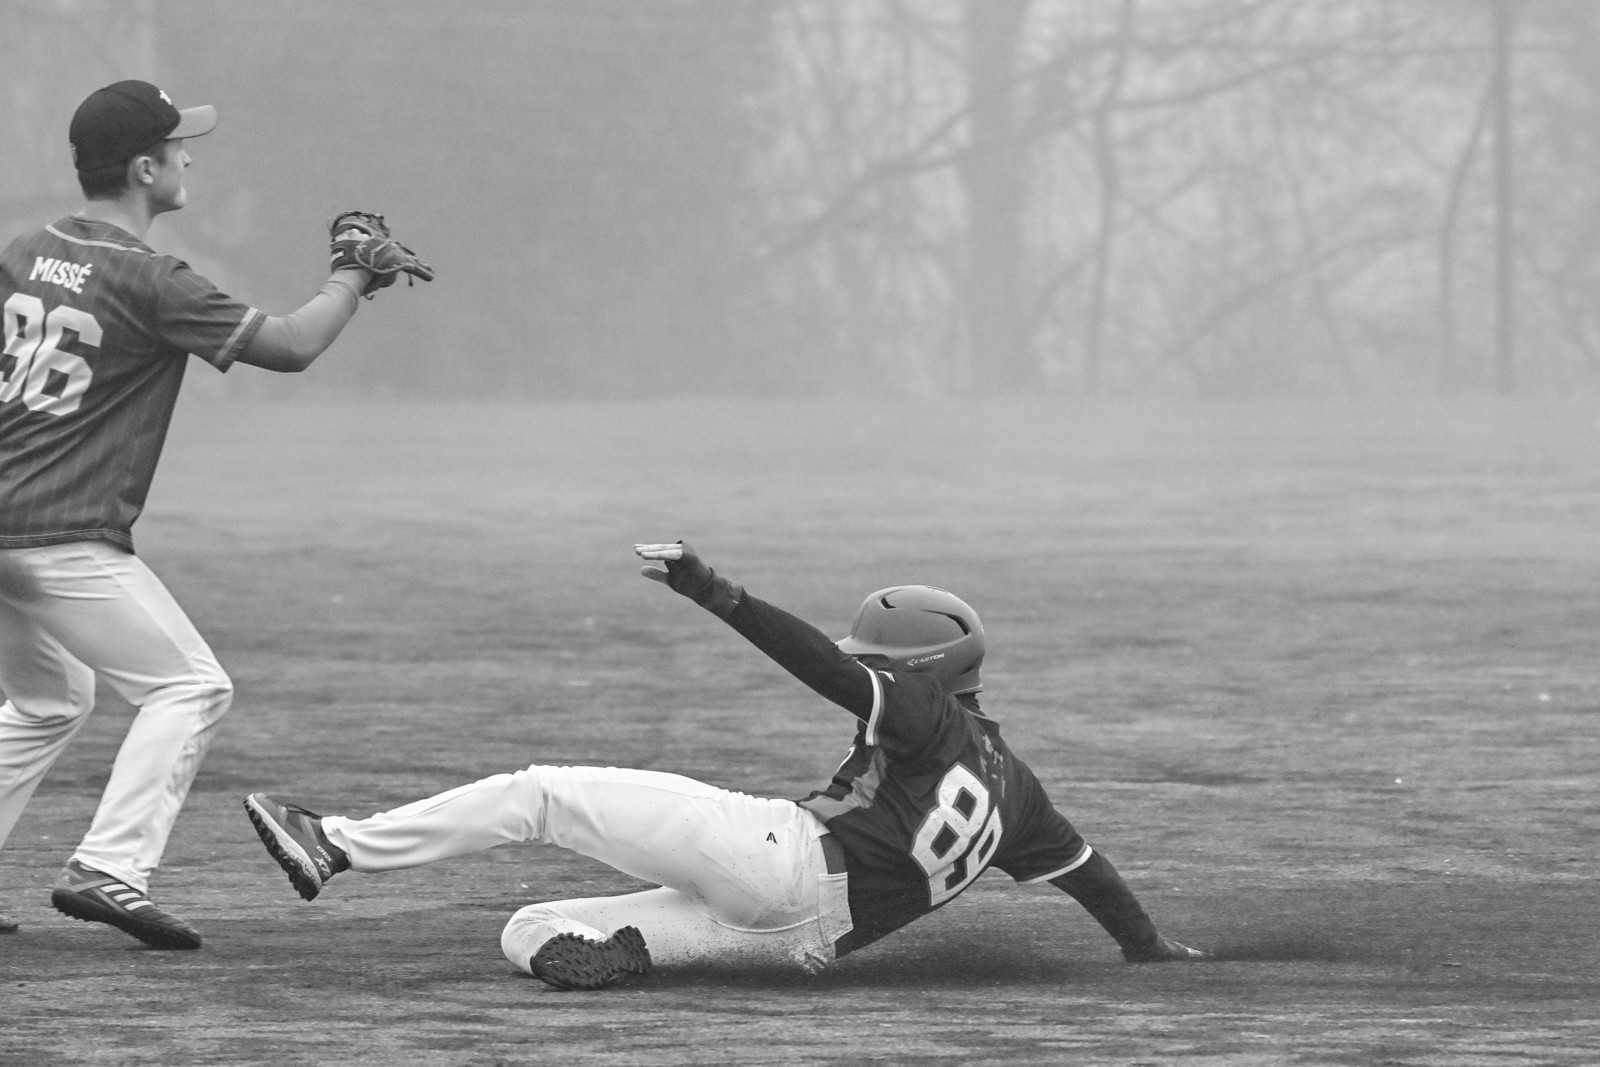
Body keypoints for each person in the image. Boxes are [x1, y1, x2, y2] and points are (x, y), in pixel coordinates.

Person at [245, 541, 1207, 989]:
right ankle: (616, 958)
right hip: (806, 944)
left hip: (779, 857)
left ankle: (336, 844)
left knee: (540, 795)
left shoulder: (923, 709)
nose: (868, 669)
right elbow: (1090, 874)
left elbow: (827, 669)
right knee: (529, 926)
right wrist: (1147, 947)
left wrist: (721, 596)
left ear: (922, 671)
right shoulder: (1019, 789)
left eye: (881, 660)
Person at [0, 80, 429, 948]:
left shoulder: (26, 248)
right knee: (190, 686)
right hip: (58, 531)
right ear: (143, 168)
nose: (188, 157)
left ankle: (104, 864)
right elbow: (291, 345)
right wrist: (352, 274)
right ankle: (110, 868)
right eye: (177, 145)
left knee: (50, 700)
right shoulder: (152, 279)